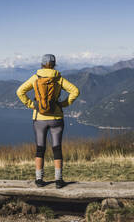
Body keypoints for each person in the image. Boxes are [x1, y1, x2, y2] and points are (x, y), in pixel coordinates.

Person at [16, 54, 79, 189]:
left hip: (39, 118)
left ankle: (39, 179)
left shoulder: (35, 77)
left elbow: (20, 91)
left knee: (40, 149)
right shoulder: (58, 78)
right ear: (54, 64)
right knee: (57, 148)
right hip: (56, 118)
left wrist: (32, 105)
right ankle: (58, 180)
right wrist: (63, 104)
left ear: (42, 64)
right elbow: (75, 91)